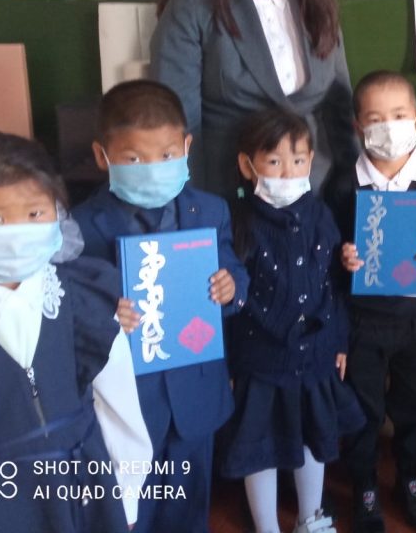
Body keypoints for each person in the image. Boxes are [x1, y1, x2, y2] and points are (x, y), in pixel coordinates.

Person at [0, 131, 152, 532]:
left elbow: (118, 406)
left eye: (35, 214)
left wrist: (126, 500)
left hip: (86, 494)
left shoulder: (83, 300)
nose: (18, 232)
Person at [72, 79, 250, 533]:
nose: (153, 169)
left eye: (168, 154)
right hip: (128, 403)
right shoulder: (81, 226)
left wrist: (232, 288)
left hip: (196, 392)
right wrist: (103, 316)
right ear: (102, 156)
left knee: (190, 506)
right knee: (133, 508)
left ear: (187, 147)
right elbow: (71, 307)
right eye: (134, 159)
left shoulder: (210, 210)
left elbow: (233, 268)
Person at [151, 0, 355, 201]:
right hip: (228, 190)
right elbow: (178, 118)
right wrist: (193, 205)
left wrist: (351, 188)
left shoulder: (316, 2)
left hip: (312, 191)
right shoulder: (194, 1)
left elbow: (340, 106)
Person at [333, 71, 416, 533]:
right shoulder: (345, 184)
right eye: (375, 119)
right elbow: (329, 248)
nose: (388, 127)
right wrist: (343, 258)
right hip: (362, 323)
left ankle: (409, 477)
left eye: (399, 115)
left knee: (414, 407)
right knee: (363, 409)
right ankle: (365, 484)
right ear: (357, 126)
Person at [223, 107, 364, 533]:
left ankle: (310, 518)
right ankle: (266, 526)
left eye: (298, 160)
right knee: (259, 449)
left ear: (311, 160)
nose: (288, 172)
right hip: (260, 361)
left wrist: (339, 341)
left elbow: (333, 286)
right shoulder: (238, 221)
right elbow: (226, 300)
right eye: (274, 161)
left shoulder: (320, 215)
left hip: (315, 356)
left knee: (313, 441)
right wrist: (229, 364)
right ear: (247, 165)